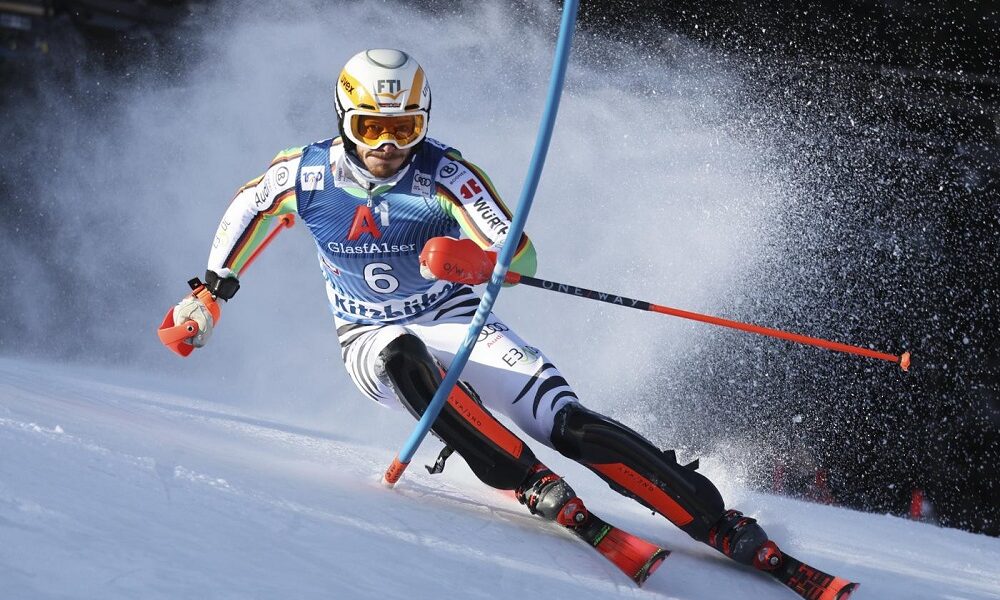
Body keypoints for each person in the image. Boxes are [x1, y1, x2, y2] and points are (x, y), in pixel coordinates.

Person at [163, 49, 779, 572]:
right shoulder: (306, 173)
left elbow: (522, 254)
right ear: (344, 119)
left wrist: (485, 262)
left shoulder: (446, 175)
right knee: (402, 354)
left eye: (404, 128)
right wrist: (210, 293)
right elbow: (247, 208)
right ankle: (527, 479)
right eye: (370, 128)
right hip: (367, 331)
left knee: (567, 422)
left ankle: (714, 519)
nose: (387, 146)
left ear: (423, 122)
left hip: (455, 316)